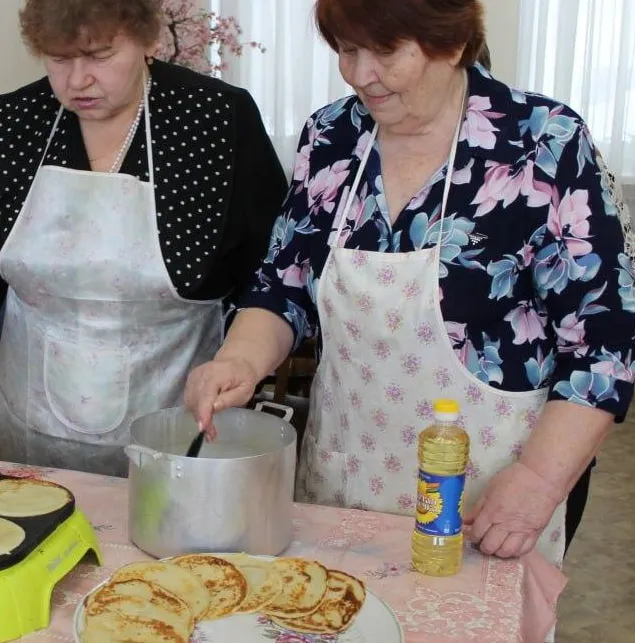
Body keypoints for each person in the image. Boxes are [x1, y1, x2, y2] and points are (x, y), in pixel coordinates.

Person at [184, 0, 635, 573]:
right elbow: (284, 283)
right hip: (345, 473)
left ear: (450, 43)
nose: (359, 73)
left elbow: (604, 343)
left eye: (386, 51)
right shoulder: (332, 137)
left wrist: (540, 480)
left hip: (485, 495)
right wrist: (239, 360)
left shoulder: (542, 143)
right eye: (347, 50)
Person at [0, 0, 288, 477]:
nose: (77, 80)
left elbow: (270, 263)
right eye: (59, 60)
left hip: (177, 415)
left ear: (148, 41)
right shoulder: (16, 120)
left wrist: (243, 360)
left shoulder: (214, 119)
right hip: (32, 419)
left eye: (100, 56)